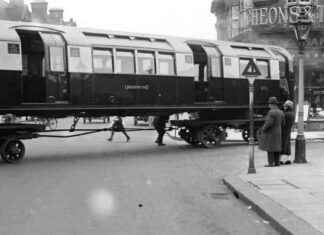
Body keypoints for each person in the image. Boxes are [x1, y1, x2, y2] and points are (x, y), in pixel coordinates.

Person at [261, 97, 285, 167]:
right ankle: (277, 163)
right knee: (277, 147)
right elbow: (283, 123)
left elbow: (269, 123)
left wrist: (263, 129)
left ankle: (270, 163)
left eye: (269, 104)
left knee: (270, 148)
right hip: (279, 132)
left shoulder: (271, 112)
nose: (268, 105)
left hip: (271, 133)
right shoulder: (281, 112)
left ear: (272, 104)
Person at [280, 100, 295, 165]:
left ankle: (280, 160)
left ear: (287, 106)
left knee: (282, 145)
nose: (284, 106)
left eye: (285, 106)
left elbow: (282, 123)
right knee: (288, 144)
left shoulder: (284, 114)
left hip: (283, 130)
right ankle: (288, 159)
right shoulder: (292, 113)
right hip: (288, 130)